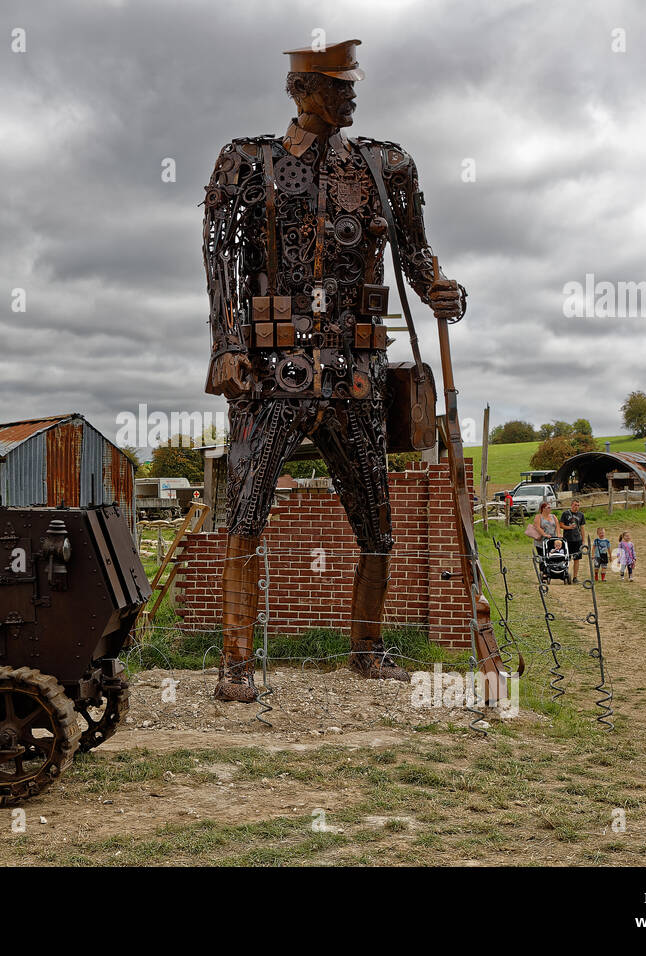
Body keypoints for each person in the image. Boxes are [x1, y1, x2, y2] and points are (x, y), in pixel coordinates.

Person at [201, 39, 467, 701]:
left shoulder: (386, 167)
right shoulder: (248, 163)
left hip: (358, 374)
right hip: (272, 370)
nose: (350, 96)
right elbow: (221, 261)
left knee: (377, 524)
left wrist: (443, 290)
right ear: (301, 90)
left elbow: (417, 257)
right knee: (245, 515)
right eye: (337, 86)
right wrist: (227, 344)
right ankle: (235, 665)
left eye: (352, 86)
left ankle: (366, 648)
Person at [559, 499, 587, 583]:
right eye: (575, 505)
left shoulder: (581, 515)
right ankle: (565, 575)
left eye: (578, 505)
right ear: (571, 505)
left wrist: (583, 540)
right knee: (566, 558)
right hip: (567, 539)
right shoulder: (565, 514)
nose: (576, 507)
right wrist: (569, 527)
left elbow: (582, 527)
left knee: (577, 559)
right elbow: (561, 525)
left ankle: (575, 577)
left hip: (577, 539)